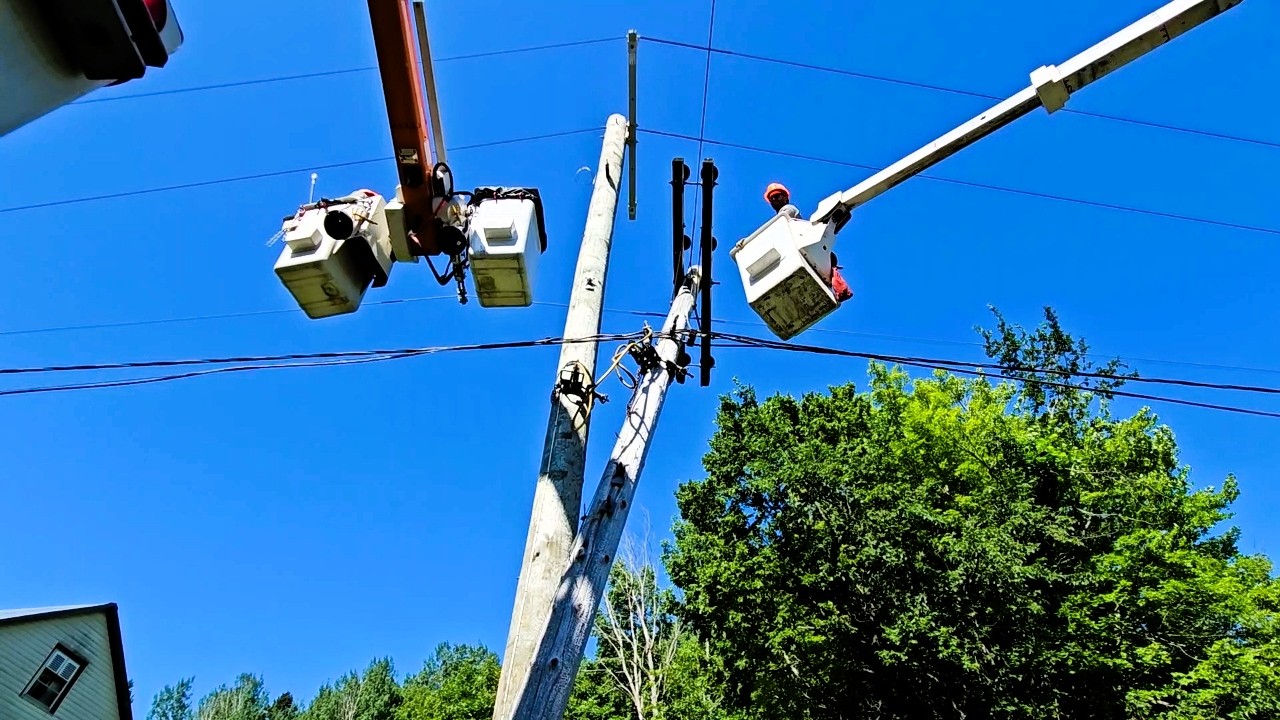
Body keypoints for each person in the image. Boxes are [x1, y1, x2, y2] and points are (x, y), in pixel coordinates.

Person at [763, 182, 853, 303]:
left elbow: (778, 225)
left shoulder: (788, 210)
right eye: (772, 198)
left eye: (778, 195)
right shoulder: (780, 222)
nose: (775, 199)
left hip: (802, 249)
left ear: (786, 197)